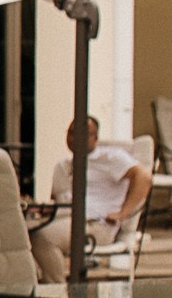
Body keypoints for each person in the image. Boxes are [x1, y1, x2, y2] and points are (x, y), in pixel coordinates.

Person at [28, 114, 152, 281]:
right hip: (66, 218)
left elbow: (144, 178)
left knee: (43, 238)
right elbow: (61, 203)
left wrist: (123, 213)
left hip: (96, 224)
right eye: (71, 132)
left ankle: (58, 292)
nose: (75, 137)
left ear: (95, 138)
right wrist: (40, 209)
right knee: (23, 231)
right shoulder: (62, 166)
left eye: (83, 133)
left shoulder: (110, 157)